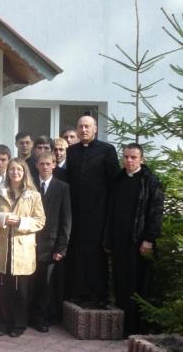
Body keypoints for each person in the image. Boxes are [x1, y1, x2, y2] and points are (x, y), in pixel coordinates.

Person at [104, 143, 163, 335]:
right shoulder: (118, 179)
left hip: (139, 243)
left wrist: (149, 239)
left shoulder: (150, 181)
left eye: (133, 157)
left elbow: (156, 213)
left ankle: (137, 329)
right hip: (119, 242)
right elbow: (110, 212)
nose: (129, 161)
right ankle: (123, 328)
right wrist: (109, 239)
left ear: (141, 159)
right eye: (126, 157)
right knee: (121, 284)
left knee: (138, 285)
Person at [0, 158, 45, 337]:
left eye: (19, 170)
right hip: (1, 249)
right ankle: (1, 324)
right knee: (2, 291)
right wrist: (3, 218)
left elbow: (40, 221)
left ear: (24, 172)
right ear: (7, 172)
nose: (15, 173)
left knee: (21, 291)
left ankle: (18, 325)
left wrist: (20, 221)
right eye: (12, 169)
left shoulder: (33, 195)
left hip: (22, 250)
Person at [66, 115, 119, 306]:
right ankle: (78, 293)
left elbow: (114, 183)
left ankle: (99, 295)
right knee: (77, 253)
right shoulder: (71, 151)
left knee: (96, 255)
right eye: (80, 126)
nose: (83, 130)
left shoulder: (107, 150)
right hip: (76, 213)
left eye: (87, 126)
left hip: (99, 213)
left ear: (95, 128)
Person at [31, 152, 71, 332]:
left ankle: (42, 318)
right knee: (31, 282)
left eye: (48, 163)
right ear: (36, 165)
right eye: (42, 164)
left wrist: (61, 248)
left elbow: (66, 219)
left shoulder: (62, 187)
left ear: (54, 165)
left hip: (51, 245)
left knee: (46, 284)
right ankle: (29, 316)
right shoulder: (30, 186)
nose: (45, 166)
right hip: (30, 242)